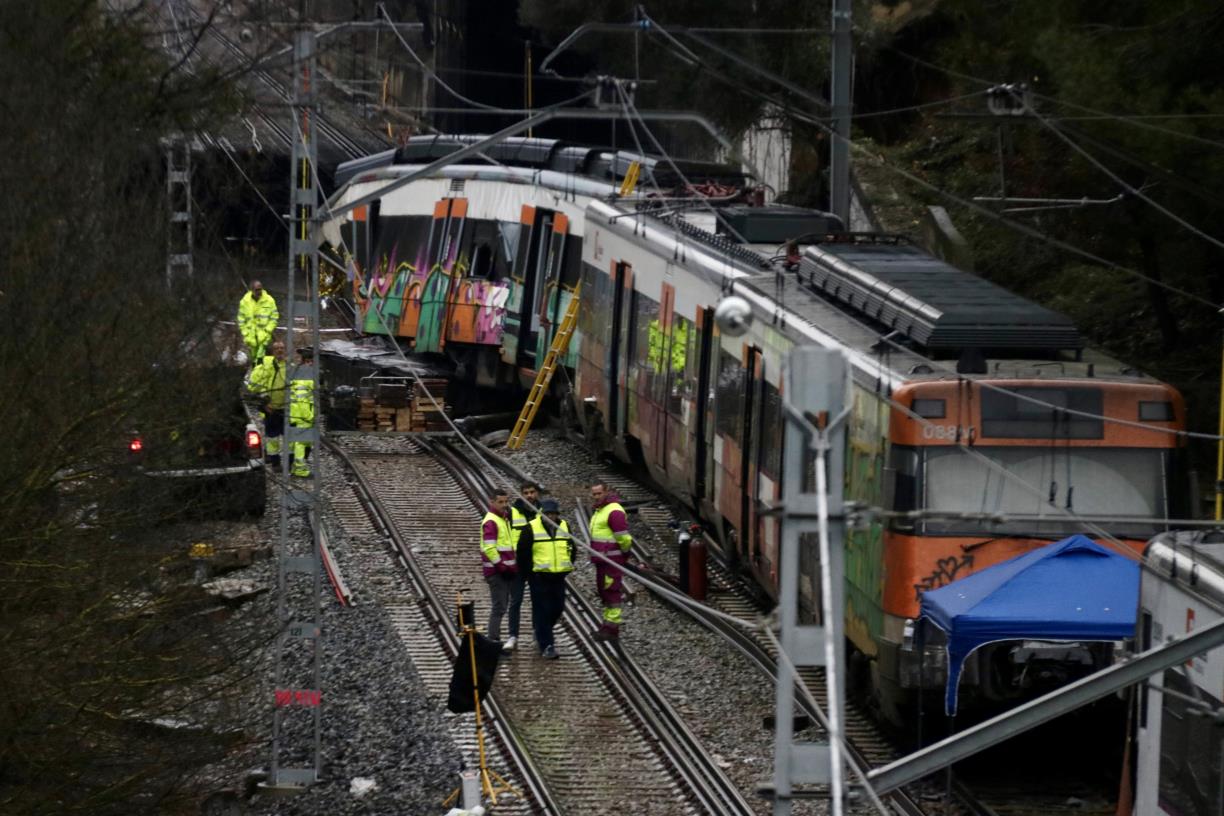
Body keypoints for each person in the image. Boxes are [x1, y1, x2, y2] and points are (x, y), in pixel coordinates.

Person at [518, 498, 573, 659]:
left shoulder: (564, 526)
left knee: (557, 608)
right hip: (539, 578)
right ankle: (547, 645)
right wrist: (530, 573)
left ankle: (541, 630)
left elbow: (572, 548)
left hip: (558, 577)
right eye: (547, 513)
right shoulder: (531, 528)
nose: (550, 516)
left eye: (553, 514)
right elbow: (522, 553)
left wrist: (567, 565)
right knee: (542, 610)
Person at [588, 481, 633, 642]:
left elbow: (623, 537)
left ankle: (612, 629)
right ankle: (606, 626)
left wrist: (624, 553)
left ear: (607, 492)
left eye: (599, 493)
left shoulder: (614, 511)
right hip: (603, 559)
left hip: (611, 559)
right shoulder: (600, 510)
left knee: (612, 592)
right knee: (604, 592)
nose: (596, 497)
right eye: (594, 494)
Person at [504, 482, 540, 652]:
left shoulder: (543, 512)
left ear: (537, 493)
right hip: (518, 565)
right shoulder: (512, 512)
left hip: (536, 564)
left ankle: (536, 634)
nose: (529, 496)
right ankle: (513, 636)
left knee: (537, 601)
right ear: (521, 494)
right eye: (526, 493)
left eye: (532, 492)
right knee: (515, 601)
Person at [480, 489, 517, 643]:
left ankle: (494, 640)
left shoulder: (502, 519)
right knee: (499, 607)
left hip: (504, 571)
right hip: (497, 572)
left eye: (506, 502)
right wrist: (501, 566)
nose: (504, 505)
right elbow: (489, 548)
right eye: (500, 502)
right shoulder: (492, 521)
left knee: (501, 606)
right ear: (492, 502)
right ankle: (493, 641)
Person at [247, 340, 287, 467]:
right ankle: (275, 462)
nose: (280, 350)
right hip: (271, 409)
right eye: (277, 348)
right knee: (272, 438)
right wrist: (264, 402)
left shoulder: (289, 366)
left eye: (282, 348)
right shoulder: (265, 366)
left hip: (287, 409)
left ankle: (291, 463)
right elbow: (254, 386)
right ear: (272, 352)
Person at [237, 280, 279, 365]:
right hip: (251, 337)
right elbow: (241, 319)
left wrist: (268, 330)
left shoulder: (269, 300)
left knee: (260, 359)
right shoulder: (244, 302)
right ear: (251, 290)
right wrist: (246, 333)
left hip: (264, 336)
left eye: (260, 289)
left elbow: (274, 317)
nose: (259, 291)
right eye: (257, 290)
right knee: (253, 360)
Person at [288, 347, 315, 478]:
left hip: (296, 414)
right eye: (310, 362)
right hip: (302, 416)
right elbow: (302, 399)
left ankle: (294, 468)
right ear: (306, 361)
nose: (312, 364)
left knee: (297, 442)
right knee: (301, 443)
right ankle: (300, 470)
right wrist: (309, 416)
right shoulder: (304, 376)